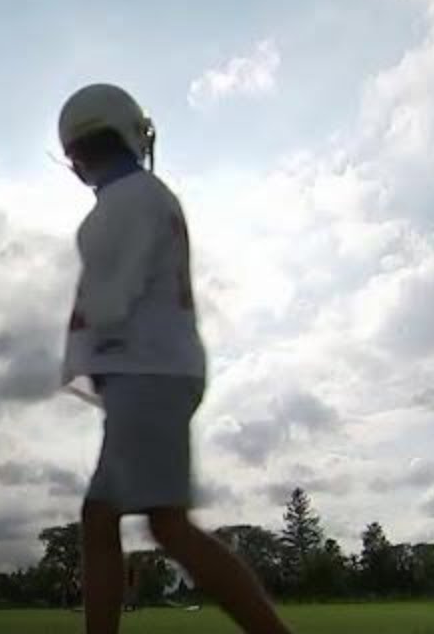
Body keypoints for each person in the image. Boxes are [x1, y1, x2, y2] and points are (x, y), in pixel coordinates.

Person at [57, 83, 295, 634]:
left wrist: (92, 341)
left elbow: (115, 292)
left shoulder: (125, 202)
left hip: (148, 373)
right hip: (152, 373)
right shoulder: (142, 196)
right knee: (106, 519)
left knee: (165, 524)